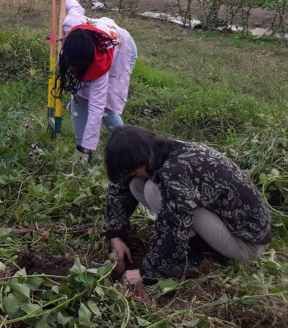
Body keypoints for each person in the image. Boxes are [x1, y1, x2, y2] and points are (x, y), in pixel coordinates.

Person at [104, 125, 271, 292]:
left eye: (134, 169)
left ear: (143, 157)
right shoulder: (162, 150)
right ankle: (197, 243)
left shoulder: (176, 170)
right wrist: (116, 236)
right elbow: (120, 188)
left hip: (245, 243)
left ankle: (206, 254)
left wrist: (145, 272)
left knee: (154, 191)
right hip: (223, 222)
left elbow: (173, 226)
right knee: (136, 184)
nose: (134, 173)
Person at [54, 0, 137, 160]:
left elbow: (96, 109)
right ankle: (81, 147)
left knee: (105, 106)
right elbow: (75, 7)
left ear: (87, 61)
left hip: (123, 51)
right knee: (79, 97)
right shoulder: (71, 25)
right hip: (101, 44)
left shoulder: (101, 68)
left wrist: (88, 146)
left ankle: (130, 147)